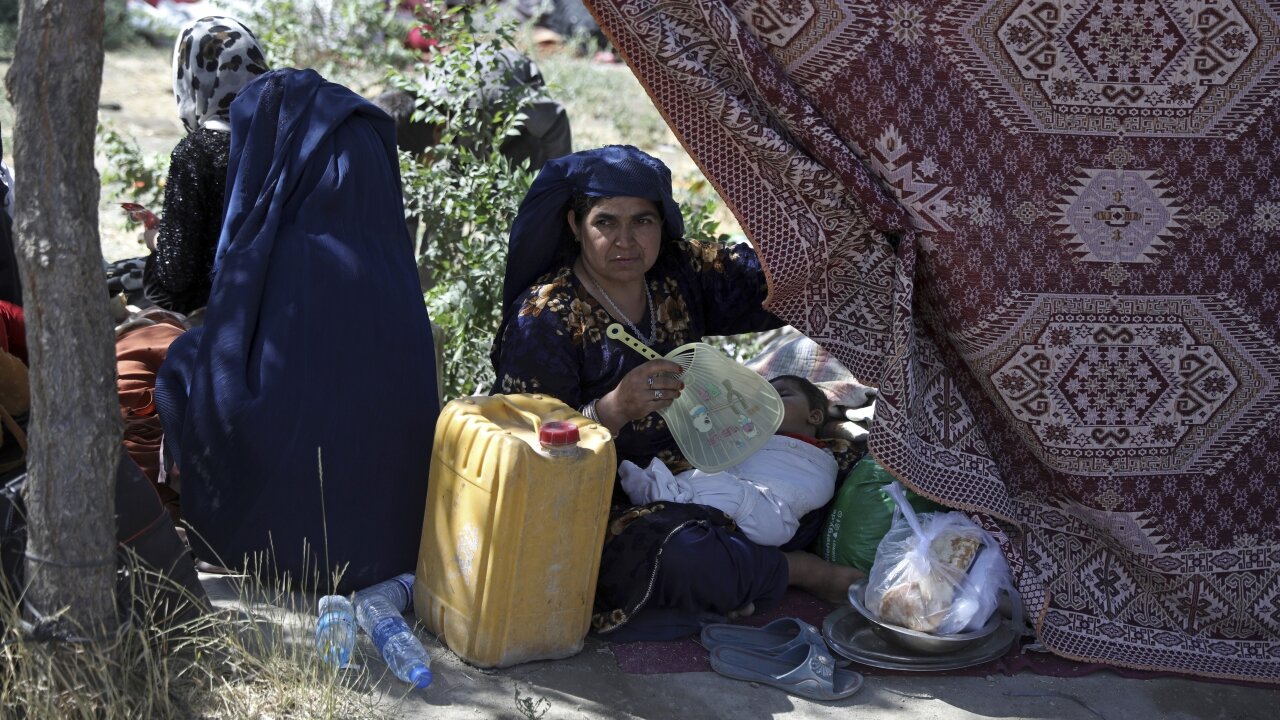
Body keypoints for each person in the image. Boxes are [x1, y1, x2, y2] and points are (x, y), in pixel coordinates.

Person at [492, 145, 862, 641]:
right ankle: (795, 571)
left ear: (663, 224)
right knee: (681, 554)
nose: (625, 241)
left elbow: (771, 280)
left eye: (642, 221)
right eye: (606, 223)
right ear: (576, 225)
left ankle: (741, 570)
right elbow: (527, 446)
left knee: (834, 461)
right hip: (614, 501)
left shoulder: (675, 272)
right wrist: (612, 410)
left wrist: (846, 230)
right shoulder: (544, 319)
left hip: (711, 461)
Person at [155, 67, 440, 594]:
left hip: (276, 548)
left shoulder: (272, 246)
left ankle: (211, 518)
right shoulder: (390, 250)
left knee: (180, 363)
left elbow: (226, 355)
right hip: (394, 542)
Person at [141, 16, 269, 314]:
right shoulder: (281, 134)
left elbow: (175, 272)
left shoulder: (197, 152)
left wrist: (156, 239)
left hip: (216, 313)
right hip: (277, 302)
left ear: (191, 75)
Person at [618, 375, 838, 547]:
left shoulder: (817, 459)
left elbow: (814, 488)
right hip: (735, 497)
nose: (768, 402)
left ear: (815, 416)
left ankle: (662, 494)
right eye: (761, 398)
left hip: (772, 514)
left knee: (723, 488)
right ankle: (665, 491)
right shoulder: (750, 438)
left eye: (781, 395)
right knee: (707, 479)